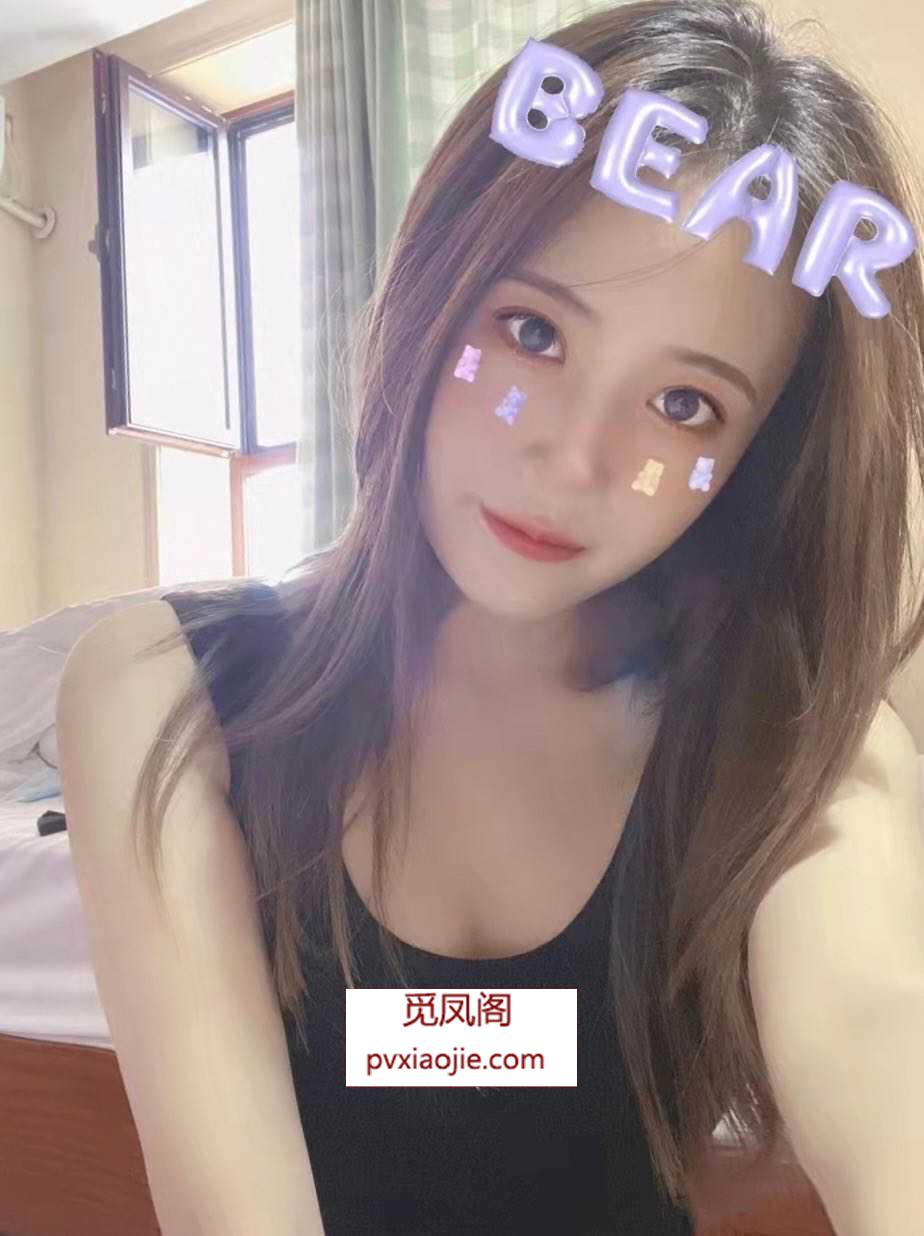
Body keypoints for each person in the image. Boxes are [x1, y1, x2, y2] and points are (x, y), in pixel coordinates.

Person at [56, 1, 924, 1233]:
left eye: (685, 404)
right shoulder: (161, 694)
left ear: (751, 463)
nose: (572, 460)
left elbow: (882, 1046)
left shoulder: (791, 751)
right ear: (432, 290)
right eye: (532, 332)